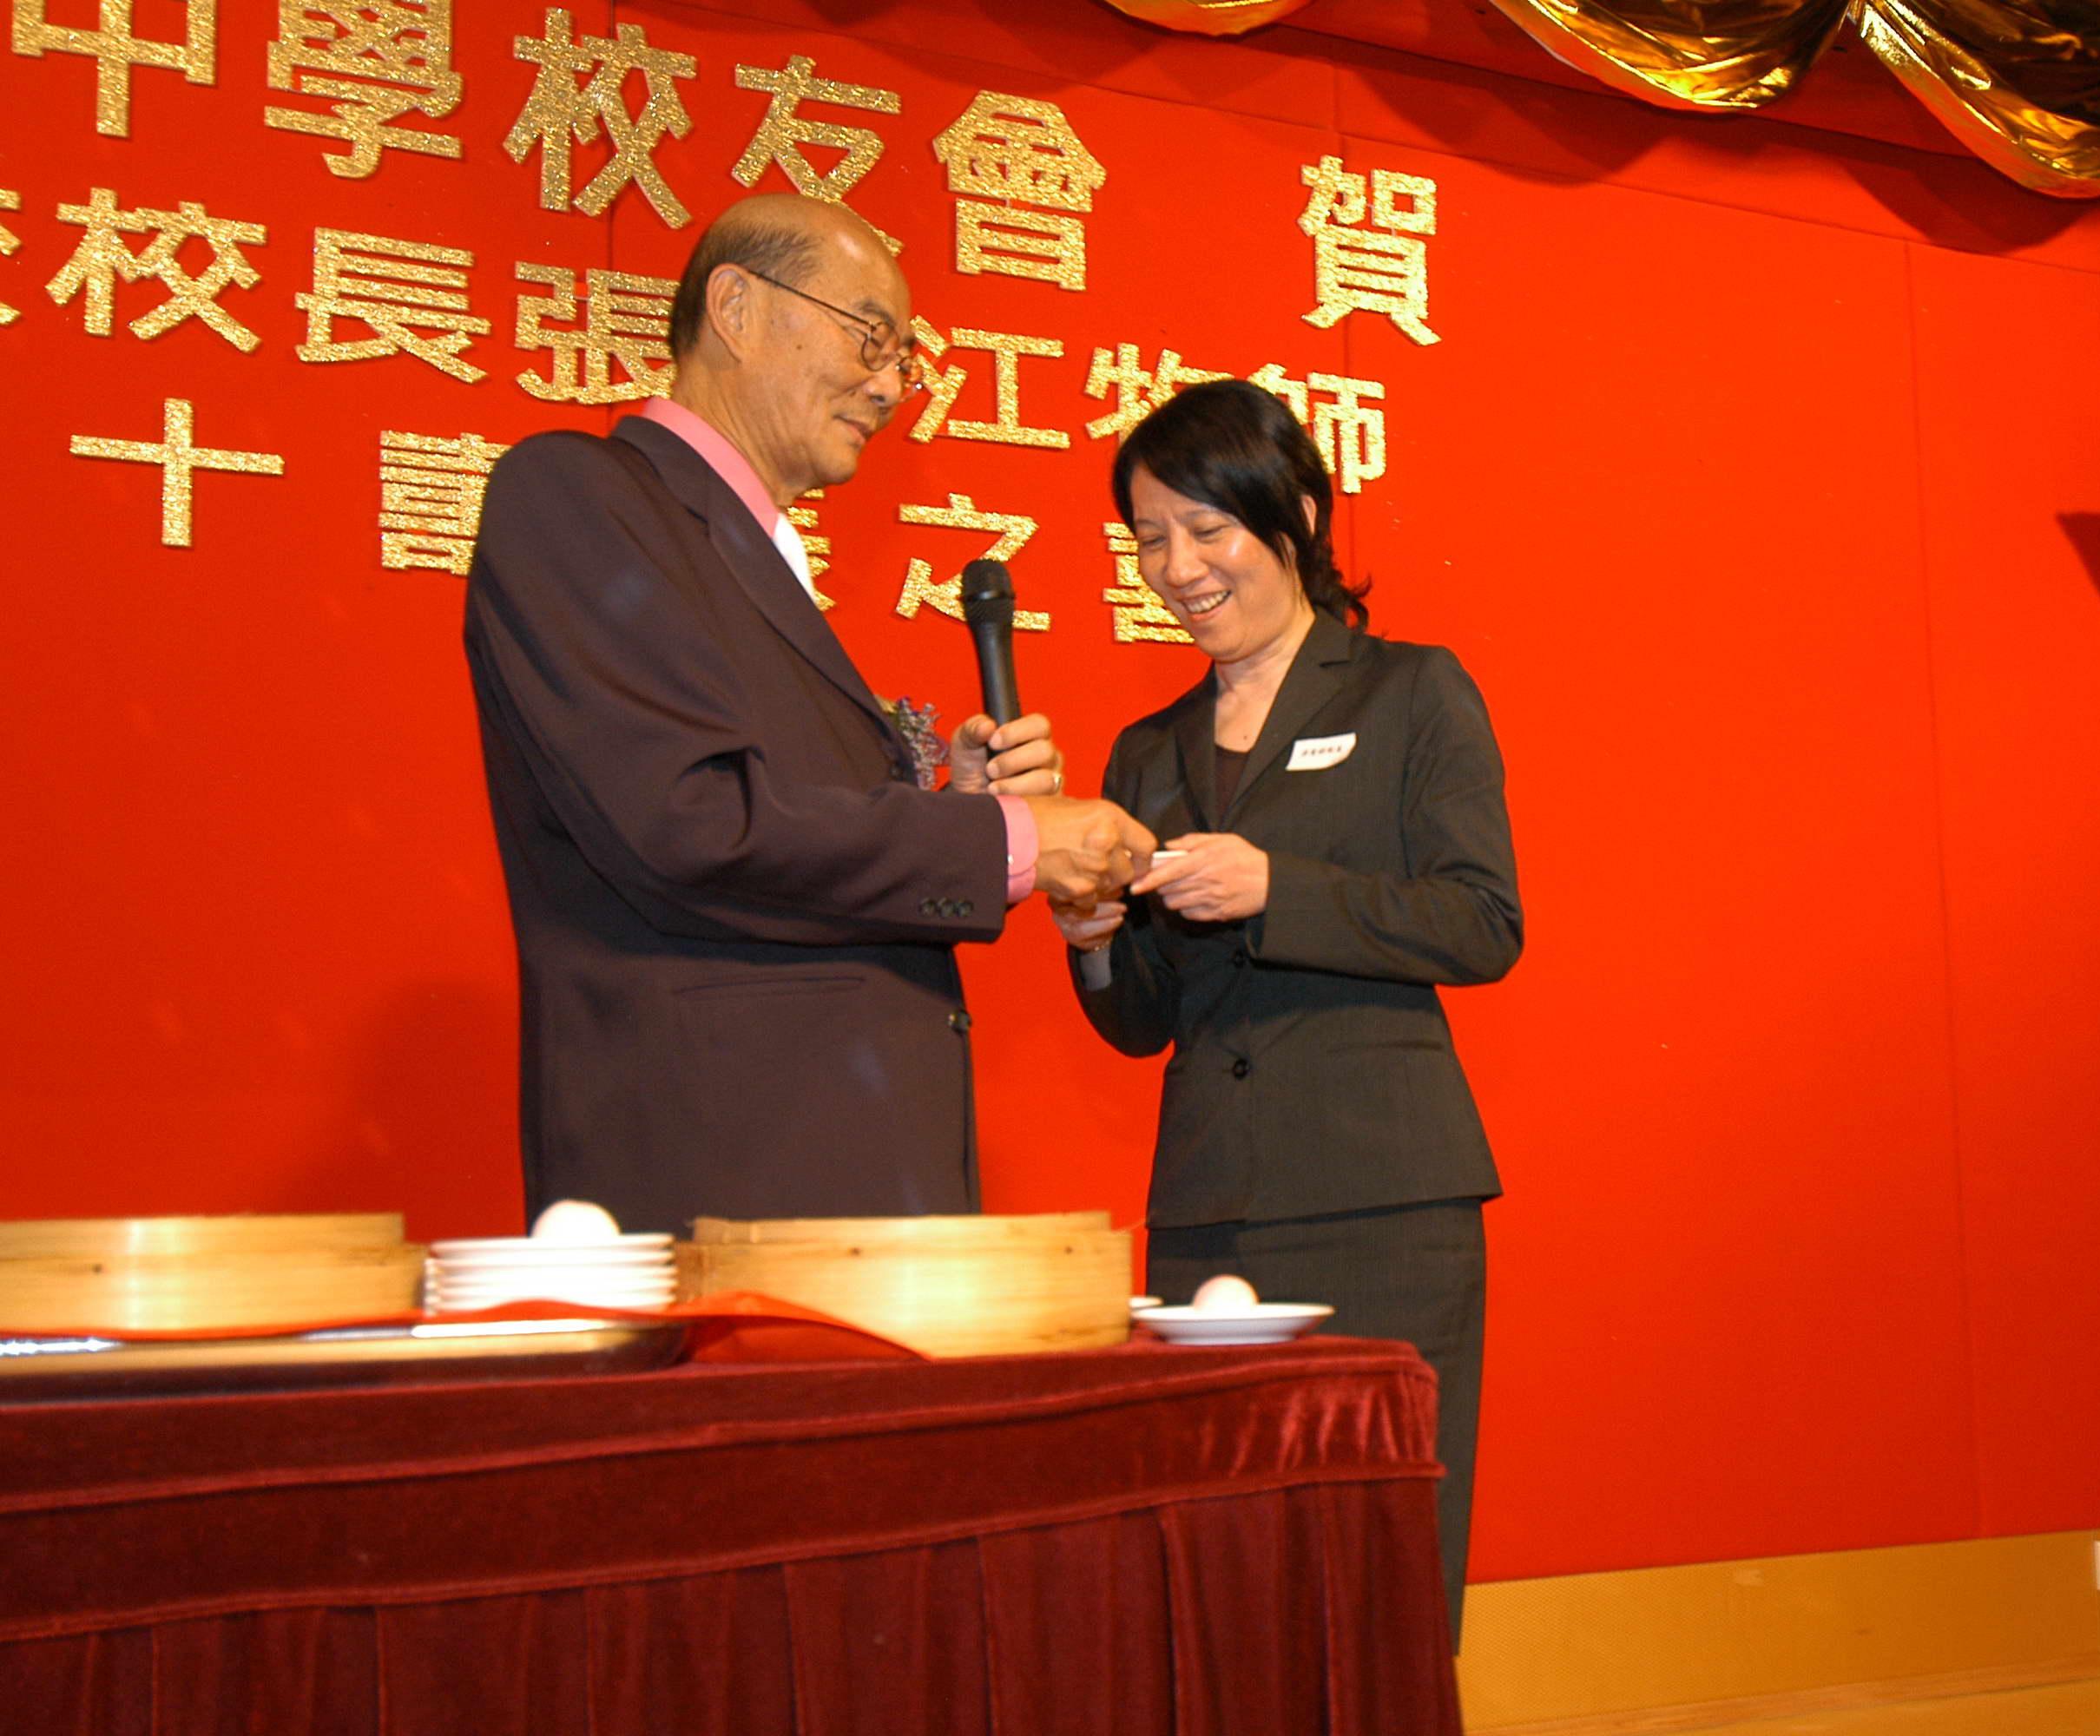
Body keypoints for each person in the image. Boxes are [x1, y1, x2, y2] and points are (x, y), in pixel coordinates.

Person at [464, 193, 1153, 1235]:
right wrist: (1008, 840)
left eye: (905, 357)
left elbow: (778, 819)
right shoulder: (579, 492)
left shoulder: (751, 548)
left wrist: (951, 805)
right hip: (723, 1180)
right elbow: (689, 821)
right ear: (735, 307)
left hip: (829, 1181)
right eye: (869, 335)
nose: (889, 385)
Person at [1052, 378, 1522, 1644]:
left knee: (1379, 1568)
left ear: (1297, 516)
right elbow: (1141, 1020)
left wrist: (1280, 890)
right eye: (1150, 538)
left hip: (1384, 1205)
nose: (1179, 568)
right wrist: (1092, 938)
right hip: (1208, 1213)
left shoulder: (1410, 692)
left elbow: (1482, 923)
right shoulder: (1147, 749)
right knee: (1216, 1572)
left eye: (1208, 529)